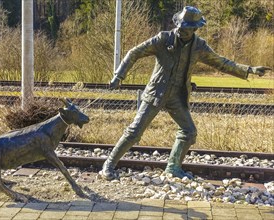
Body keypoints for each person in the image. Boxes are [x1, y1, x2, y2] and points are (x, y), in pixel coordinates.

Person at [99, 6, 271, 180]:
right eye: (181, 27)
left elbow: (221, 63)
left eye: (187, 28)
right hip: (155, 93)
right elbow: (134, 53)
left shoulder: (199, 46)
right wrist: (119, 76)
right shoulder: (163, 39)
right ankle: (108, 166)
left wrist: (249, 69)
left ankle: (173, 167)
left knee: (189, 132)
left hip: (177, 96)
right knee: (134, 132)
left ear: (195, 28)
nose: (183, 31)